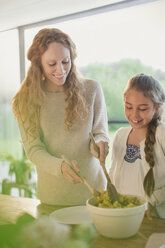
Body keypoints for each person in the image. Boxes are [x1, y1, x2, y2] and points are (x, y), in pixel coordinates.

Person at [12, 28, 109, 206]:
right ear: (38, 64)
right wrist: (60, 167)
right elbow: (33, 150)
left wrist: (101, 143)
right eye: (52, 64)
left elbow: (100, 131)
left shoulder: (92, 90)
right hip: (53, 199)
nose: (61, 70)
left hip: (96, 196)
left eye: (65, 61)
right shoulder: (24, 101)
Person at [109, 73, 165, 218]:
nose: (134, 115)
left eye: (142, 109)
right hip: (124, 216)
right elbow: (113, 174)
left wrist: (152, 203)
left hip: (156, 219)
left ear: (157, 108)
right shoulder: (120, 135)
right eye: (129, 107)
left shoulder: (161, 134)